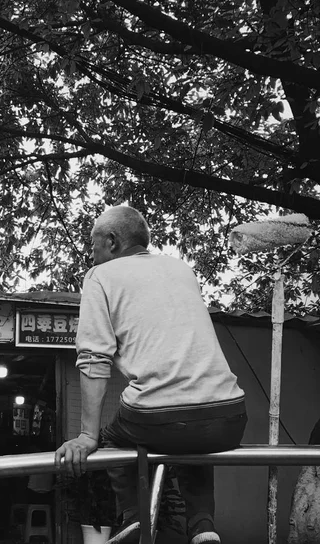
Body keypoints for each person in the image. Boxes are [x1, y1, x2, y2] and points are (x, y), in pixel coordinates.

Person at [54, 206, 247, 544]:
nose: (92, 253)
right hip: (229, 416)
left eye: (93, 244)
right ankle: (203, 526)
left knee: (113, 438)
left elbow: (94, 358)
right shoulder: (180, 269)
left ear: (112, 242)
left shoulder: (101, 276)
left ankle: (134, 518)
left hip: (158, 419)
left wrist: (87, 436)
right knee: (192, 426)